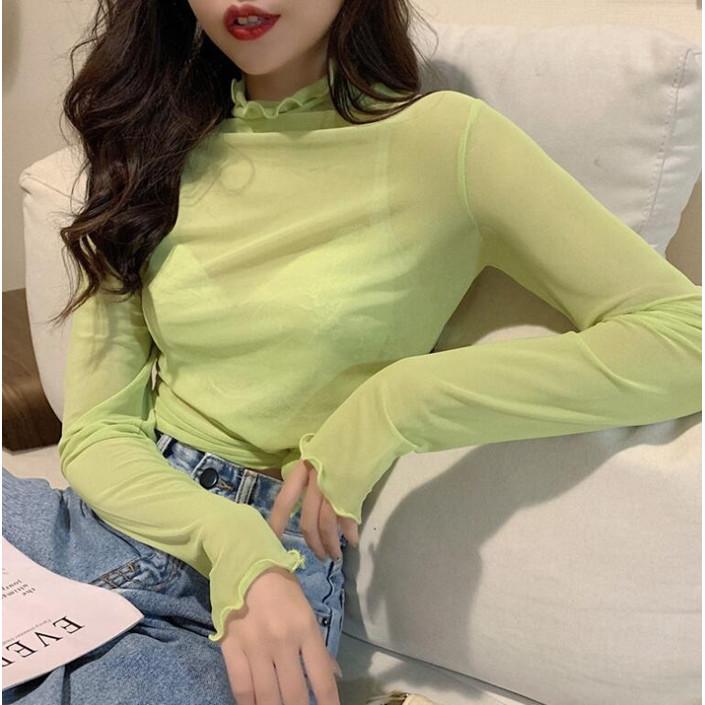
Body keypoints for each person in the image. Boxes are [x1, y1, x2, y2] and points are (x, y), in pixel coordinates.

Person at [3, 0, 702, 703]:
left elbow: (682, 336)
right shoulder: (148, 142)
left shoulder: (446, 142)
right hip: (110, 520)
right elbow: (97, 431)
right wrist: (227, 536)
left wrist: (396, 403)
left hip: (258, 587)